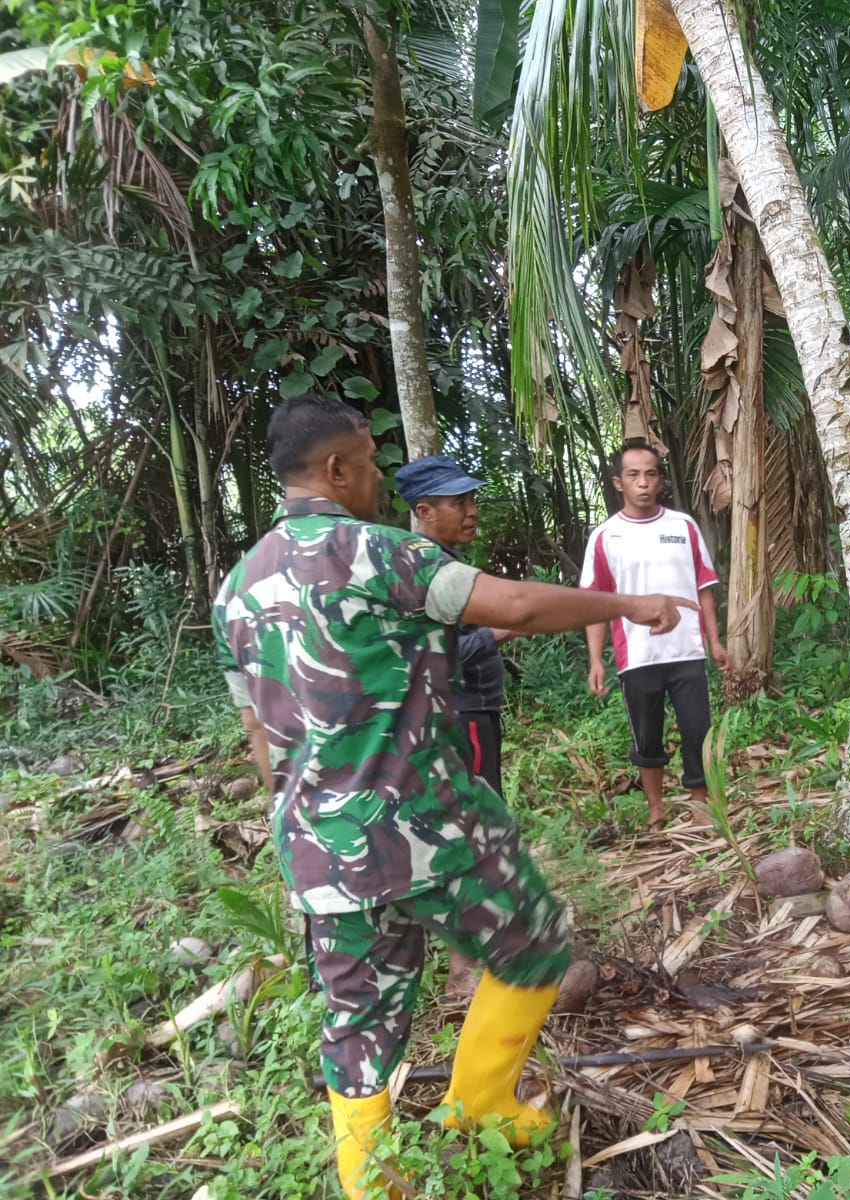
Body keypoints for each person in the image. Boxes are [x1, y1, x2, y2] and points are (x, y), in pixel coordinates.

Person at [213, 396, 695, 1199]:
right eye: (369, 465)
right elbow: (514, 605)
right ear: (335, 470)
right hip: (422, 824)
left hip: (315, 843)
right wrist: (629, 605)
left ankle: (371, 1183)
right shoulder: (376, 551)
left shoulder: (236, 588)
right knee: (536, 938)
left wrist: (302, 827)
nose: (376, 480)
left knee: (359, 1020)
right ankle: (482, 1105)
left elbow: (260, 737)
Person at [394, 454, 511, 1003]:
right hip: (461, 712)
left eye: (471, 500)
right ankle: (466, 966)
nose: (471, 512)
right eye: (457, 503)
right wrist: (503, 631)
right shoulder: (428, 570)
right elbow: (439, 653)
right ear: (424, 511)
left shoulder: (440, 562)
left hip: (475, 711)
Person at [581, 443, 728, 828]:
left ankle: (700, 805)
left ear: (660, 479)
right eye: (633, 475)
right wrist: (596, 660)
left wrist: (715, 642)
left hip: (688, 652)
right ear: (618, 483)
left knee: (698, 729)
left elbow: (705, 588)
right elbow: (595, 603)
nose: (643, 483)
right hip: (638, 657)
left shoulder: (683, 527)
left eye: (651, 474)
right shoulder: (605, 536)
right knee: (647, 736)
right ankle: (656, 810)